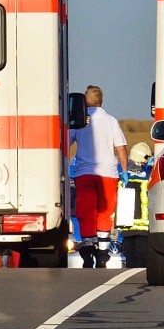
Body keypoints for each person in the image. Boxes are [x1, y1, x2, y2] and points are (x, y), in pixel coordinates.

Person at [68, 85, 129, 267]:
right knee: (105, 212)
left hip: (85, 173)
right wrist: (124, 171)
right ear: (101, 100)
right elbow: (121, 149)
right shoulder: (111, 121)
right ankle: (102, 253)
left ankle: (88, 248)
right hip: (108, 174)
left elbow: (66, 142)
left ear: (86, 101)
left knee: (86, 212)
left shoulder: (80, 121)